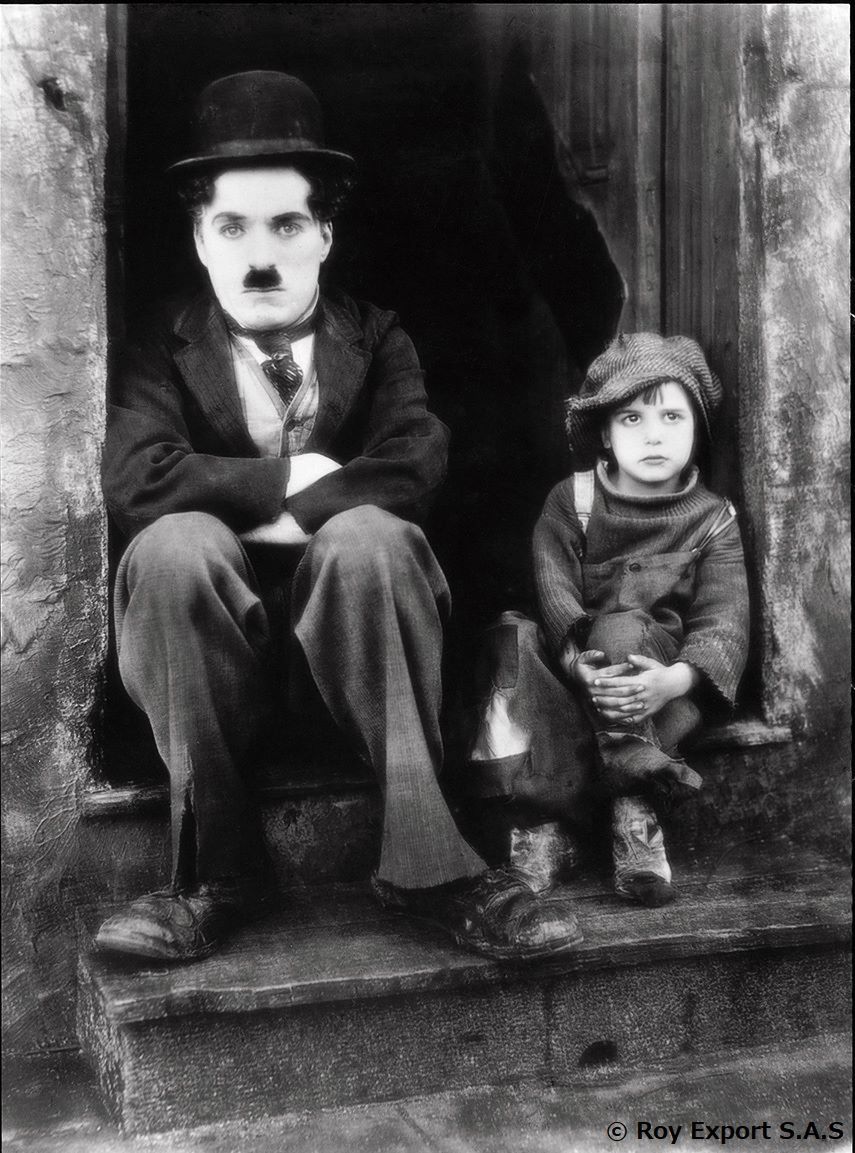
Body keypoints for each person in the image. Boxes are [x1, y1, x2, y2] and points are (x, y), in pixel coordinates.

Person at [95, 70, 582, 964]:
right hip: (211, 675)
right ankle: (214, 873)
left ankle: (428, 864)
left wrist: (303, 515)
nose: (259, 256)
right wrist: (292, 479)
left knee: (370, 537)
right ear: (199, 239)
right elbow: (136, 478)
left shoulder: (377, 334)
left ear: (325, 233)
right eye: (231, 227)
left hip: (369, 669)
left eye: (286, 224)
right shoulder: (161, 344)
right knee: (172, 546)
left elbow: (414, 463)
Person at [464, 332, 750, 905]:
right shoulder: (572, 501)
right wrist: (575, 664)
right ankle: (551, 826)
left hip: (651, 688)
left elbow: (725, 618)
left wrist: (675, 680)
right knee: (509, 636)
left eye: (672, 416)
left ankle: (634, 812)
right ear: (604, 433)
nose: (653, 434)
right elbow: (554, 593)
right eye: (631, 418)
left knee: (620, 627)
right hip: (575, 675)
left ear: (697, 428)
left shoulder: (712, 518)